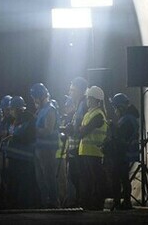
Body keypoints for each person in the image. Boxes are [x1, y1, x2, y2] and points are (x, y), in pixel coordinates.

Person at [75, 85, 108, 210]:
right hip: (85, 151)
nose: (88, 100)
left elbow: (83, 130)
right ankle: (88, 202)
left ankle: (97, 203)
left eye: (90, 98)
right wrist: (81, 129)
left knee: (95, 179)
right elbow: (81, 130)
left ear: (97, 100)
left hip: (94, 152)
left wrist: (81, 129)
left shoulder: (98, 114)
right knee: (87, 179)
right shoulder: (89, 113)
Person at [104, 92, 139, 210]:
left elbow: (121, 137)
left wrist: (112, 127)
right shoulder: (128, 118)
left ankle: (120, 203)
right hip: (124, 154)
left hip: (123, 154)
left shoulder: (127, 120)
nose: (115, 111)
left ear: (121, 107)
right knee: (123, 178)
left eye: (115, 108)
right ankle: (124, 202)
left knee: (118, 178)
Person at [30, 82, 60, 208]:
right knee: (40, 178)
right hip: (39, 148)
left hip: (47, 149)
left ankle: (53, 203)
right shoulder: (41, 110)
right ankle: (45, 203)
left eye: (35, 98)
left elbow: (48, 129)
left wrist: (32, 131)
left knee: (48, 177)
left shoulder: (50, 109)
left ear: (40, 96)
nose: (34, 101)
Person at [63, 77, 88, 207]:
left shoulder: (84, 105)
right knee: (74, 175)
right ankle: (80, 200)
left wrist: (72, 129)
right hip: (74, 146)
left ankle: (82, 201)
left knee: (78, 175)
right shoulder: (78, 106)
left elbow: (83, 127)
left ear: (79, 90)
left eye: (72, 89)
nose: (70, 91)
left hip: (80, 146)